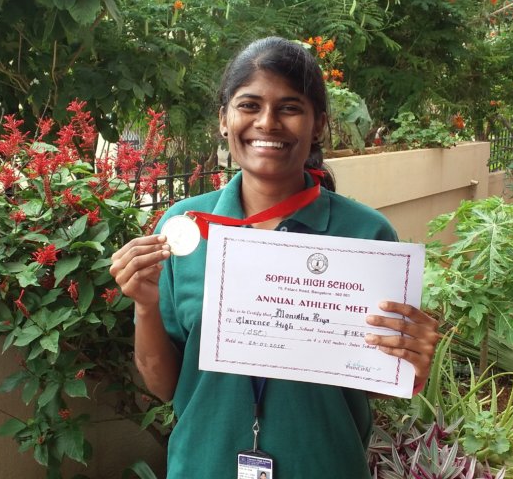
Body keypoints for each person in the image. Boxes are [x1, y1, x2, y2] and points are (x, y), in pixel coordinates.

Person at [110, 37, 439, 479]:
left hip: (324, 467)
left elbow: (373, 383)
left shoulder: (366, 234)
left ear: (318, 123)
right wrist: (146, 304)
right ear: (224, 120)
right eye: (249, 105)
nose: (267, 122)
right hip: (205, 466)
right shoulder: (183, 228)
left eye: (289, 107)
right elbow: (163, 385)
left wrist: (411, 361)